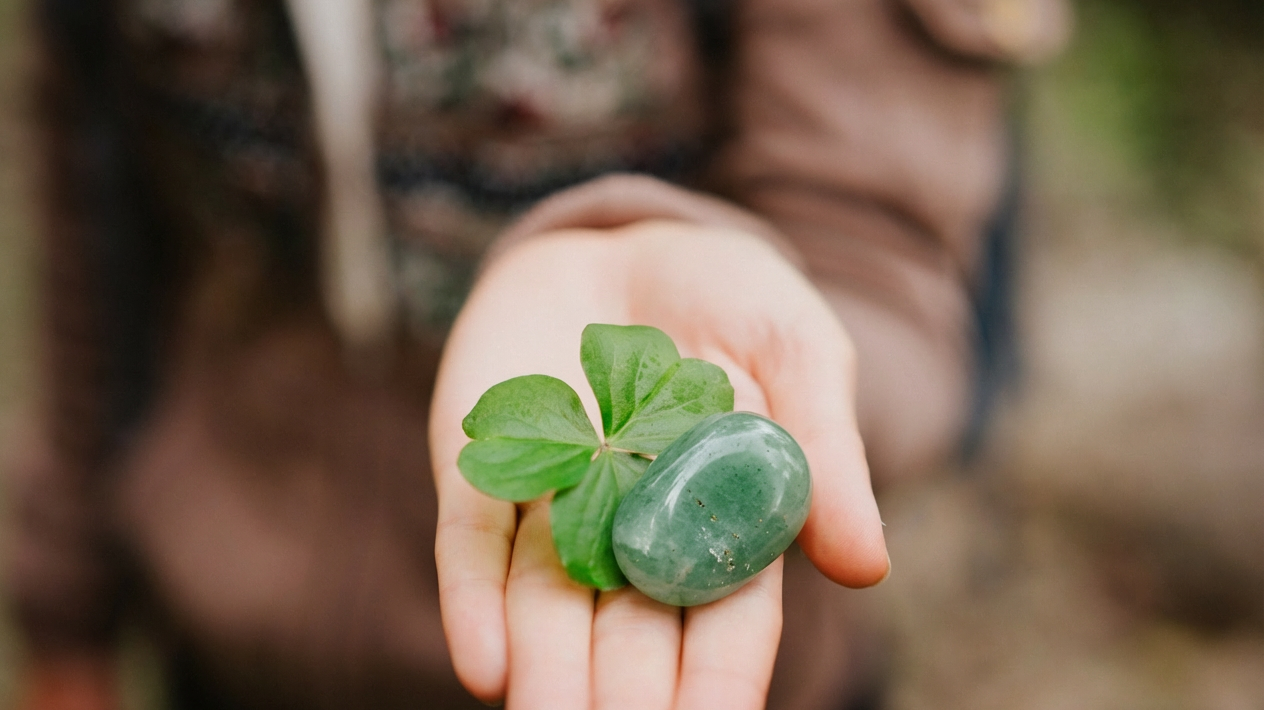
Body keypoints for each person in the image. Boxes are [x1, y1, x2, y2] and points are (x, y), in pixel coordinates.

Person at [4, 0, 1069, 708]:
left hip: (697, 681)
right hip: (229, 634)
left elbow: (882, 256)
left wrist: (771, 323)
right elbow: (97, 213)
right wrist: (66, 603)